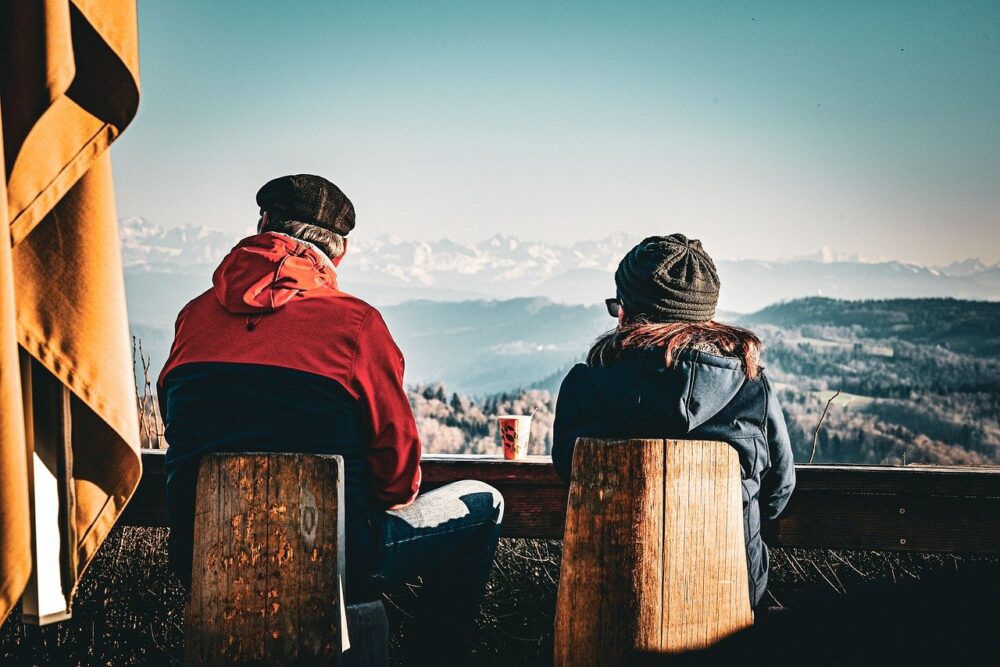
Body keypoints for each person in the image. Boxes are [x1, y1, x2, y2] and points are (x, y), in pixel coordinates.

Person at [157, 174, 503, 660]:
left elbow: (175, 422)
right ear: (338, 254)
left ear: (262, 225)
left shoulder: (193, 317)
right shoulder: (357, 325)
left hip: (202, 556)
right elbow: (399, 478)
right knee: (484, 502)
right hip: (337, 561)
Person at [552, 234, 795, 610]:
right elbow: (778, 494)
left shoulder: (585, 386)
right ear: (707, 315)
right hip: (731, 597)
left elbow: (570, 473)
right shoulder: (751, 390)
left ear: (626, 312)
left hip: (609, 602)